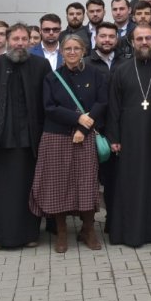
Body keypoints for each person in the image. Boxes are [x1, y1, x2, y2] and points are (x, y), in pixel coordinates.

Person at [0, 23, 50, 251]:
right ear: (7, 40)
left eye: (24, 39)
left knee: (27, 189)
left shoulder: (41, 65)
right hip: (0, 139)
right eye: (16, 39)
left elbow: (47, 103)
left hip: (30, 139)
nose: (20, 43)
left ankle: (28, 235)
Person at [30, 35, 109, 253]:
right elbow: (49, 107)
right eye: (67, 49)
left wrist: (83, 129)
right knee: (58, 184)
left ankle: (88, 230)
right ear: (61, 52)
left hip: (86, 135)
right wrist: (77, 118)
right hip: (56, 136)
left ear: (83, 51)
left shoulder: (96, 74)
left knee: (86, 183)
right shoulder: (52, 77)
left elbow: (102, 102)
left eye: (76, 48)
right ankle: (62, 232)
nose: (72, 52)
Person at [105, 22, 151, 247]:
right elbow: (113, 106)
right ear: (131, 42)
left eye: (148, 38)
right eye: (139, 39)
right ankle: (127, 232)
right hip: (128, 136)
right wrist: (114, 137)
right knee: (129, 184)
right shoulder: (121, 70)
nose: (144, 42)